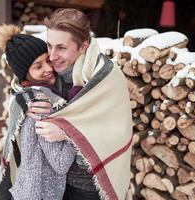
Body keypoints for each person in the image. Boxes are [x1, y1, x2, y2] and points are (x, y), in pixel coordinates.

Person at [28, 8, 133, 200]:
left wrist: (68, 133)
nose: (51, 56)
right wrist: (28, 102)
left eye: (61, 47)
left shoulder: (107, 78)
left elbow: (118, 133)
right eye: (49, 46)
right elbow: (23, 82)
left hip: (90, 188)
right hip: (51, 184)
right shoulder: (51, 74)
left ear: (83, 46)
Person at [0, 24, 76, 200]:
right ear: (25, 76)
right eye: (38, 66)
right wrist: (75, 131)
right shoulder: (41, 104)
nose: (48, 68)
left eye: (48, 60)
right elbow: (61, 163)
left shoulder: (26, 97)